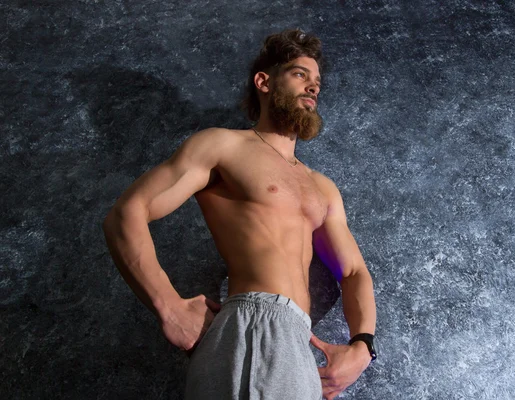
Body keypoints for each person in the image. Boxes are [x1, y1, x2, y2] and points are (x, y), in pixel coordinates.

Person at [103, 29, 377, 400]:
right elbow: (128, 212)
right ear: (264, 82)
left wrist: (362, 346)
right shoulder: (222, 146)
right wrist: (169, 307)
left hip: (298, 338)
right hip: (250, 324)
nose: (313, 87)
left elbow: (354, 271)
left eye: (316, 82)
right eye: (299, 75)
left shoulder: (322, 188)